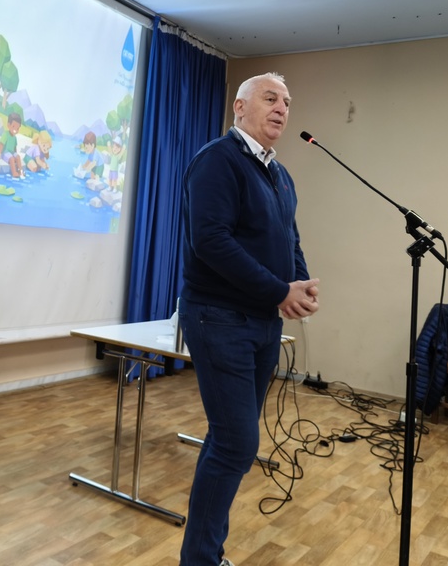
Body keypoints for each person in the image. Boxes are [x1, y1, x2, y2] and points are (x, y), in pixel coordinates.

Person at [178, 72, 320, 566]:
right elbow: (211, 241)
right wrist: (279, 290)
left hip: (262, 321)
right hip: (219, 318)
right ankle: (200, 559)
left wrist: (298, 284)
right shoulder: (218, 160)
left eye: (287, 101)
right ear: (239, 107)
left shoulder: (280, 175)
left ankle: (204, 553)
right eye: (270, 98)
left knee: (228, 439)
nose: (282, 108)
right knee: (238, 444)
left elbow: (289, 239)